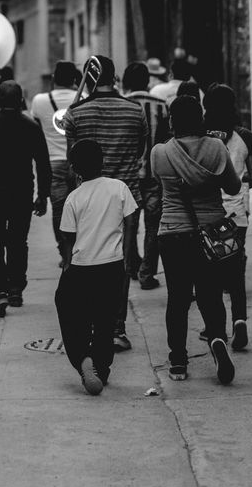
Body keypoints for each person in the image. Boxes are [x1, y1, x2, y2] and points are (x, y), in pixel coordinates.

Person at [150, 94, 241, 386]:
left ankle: (178, 361)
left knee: (177, 299)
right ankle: (216, 339)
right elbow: (233, 186)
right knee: (211, 295)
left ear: (173, 121)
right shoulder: (216, 148)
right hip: (211, 233)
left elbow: (157, 182)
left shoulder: (160, 153)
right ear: (200, 117)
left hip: (173, 233)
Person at [62, 55, 147, 352]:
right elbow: (139, 152)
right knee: (120, 263)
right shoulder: (136, 112)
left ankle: (93, 324)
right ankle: (116, 328)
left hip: (86, 198)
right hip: (126, 196)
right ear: (117, 79)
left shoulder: (75, 114)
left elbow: (72, 162)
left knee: (87, 261)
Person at [55, 140, 138, 396]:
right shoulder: (119, 188)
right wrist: (126, 255)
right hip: (112, 266)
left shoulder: (74, 198)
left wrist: (67, 264)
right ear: (102, 162)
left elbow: (67, 236)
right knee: (105, 320)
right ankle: (101, 368)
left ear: (74, 169)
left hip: (81, 267)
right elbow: (132, 220)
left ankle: (82, 360)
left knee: (70, 311)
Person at [0, 80, 52, 315]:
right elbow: (43, 164)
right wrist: (43, 196)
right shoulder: (30, 126)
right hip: (21, 192)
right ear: (21, 101)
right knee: (18, 241)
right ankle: (15, 289)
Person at [203, 85, 252, 351]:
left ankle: (216, 331)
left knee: (210, 276)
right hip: (237, 214)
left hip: (207, 214)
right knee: (236, 273)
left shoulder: (200, 136)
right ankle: (240, 321)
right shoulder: (245, 137)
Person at [30, 61, 81, 264]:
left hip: (52, 163)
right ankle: (77, 250)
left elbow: (36, 133)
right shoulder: (83, 99)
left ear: (53, 79)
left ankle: (64, 252)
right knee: (80, 209)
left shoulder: (39, 101)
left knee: (59, 210)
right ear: (75, 80)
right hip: (78, 162)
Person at [121, 61, 163, 290]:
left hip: (127, 178)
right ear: (148, 81)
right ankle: (147, 273)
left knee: (129, 226)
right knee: (153, 227)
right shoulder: (162, 106)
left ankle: (130, 268)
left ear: (126, 82)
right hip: (155, 178)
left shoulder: (120, 105)